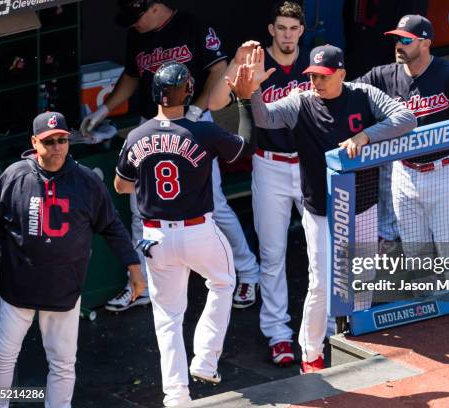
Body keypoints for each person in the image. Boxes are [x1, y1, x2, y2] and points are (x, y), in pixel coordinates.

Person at [228, 45, 416, 372]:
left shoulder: (363, 94)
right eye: (313, 75)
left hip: (364, 206)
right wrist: (251, 94)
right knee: (321, 284)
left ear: (341, 74)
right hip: (321, 211)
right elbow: (265, 118)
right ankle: (311, 355)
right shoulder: (301, 101)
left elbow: (407, 118)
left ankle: (355, 343)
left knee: (362, 280)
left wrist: (365, 137)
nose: (317, 81)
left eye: (324, 76)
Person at [82, 0, 259, 312]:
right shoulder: (137, 35)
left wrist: (197, 108)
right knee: (141, 207)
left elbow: (219, 69)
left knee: (213, 203)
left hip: (194, 121)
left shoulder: (193, 26)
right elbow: (131, 75)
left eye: (137, 17)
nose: (134, 24)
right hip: (152, 124)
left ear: (154, 7)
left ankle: (247, 271)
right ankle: (144, 286)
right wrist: (104, 109)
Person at [0, 112, 145, 408]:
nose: (57, 147)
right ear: (34, 142)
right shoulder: (15, 176)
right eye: (49, 141)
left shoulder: (86, 181)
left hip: (64, 289)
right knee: (2, 356)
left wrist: (134, 267)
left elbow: (111, 226)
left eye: (62, 140)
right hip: (18, 287)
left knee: (63, 363)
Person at [114, 61, 247, 407]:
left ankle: (176, 396)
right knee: (223, 282)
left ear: (155, 94)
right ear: (187, 91)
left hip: (155, 236)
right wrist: (244, 102)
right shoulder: (201, 131)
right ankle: (204, 359)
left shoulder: (136, 136)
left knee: (168, 318)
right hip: (198, 231)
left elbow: (121, 185)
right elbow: (241, 147)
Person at [208, 1, 310, 366]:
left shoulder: (314, 60)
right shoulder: (255, 64)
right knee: (272, 256)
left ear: (301, 30)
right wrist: (237, 62)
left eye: (293, 28)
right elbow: (216, 102)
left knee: (321, 251)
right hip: (270, 167)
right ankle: (278, 334)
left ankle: (326, 325)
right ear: (271, 29)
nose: (287, 34)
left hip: (308, 164)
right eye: (281, 28)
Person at [355, 15, 449, 262]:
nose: (398, 46)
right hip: (404, 174)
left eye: (405, 40)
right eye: (396, 40)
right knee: (415, 253)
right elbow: (347, 93)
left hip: (445, 171)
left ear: (425, 43)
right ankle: (426, 299)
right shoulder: (383, 75)